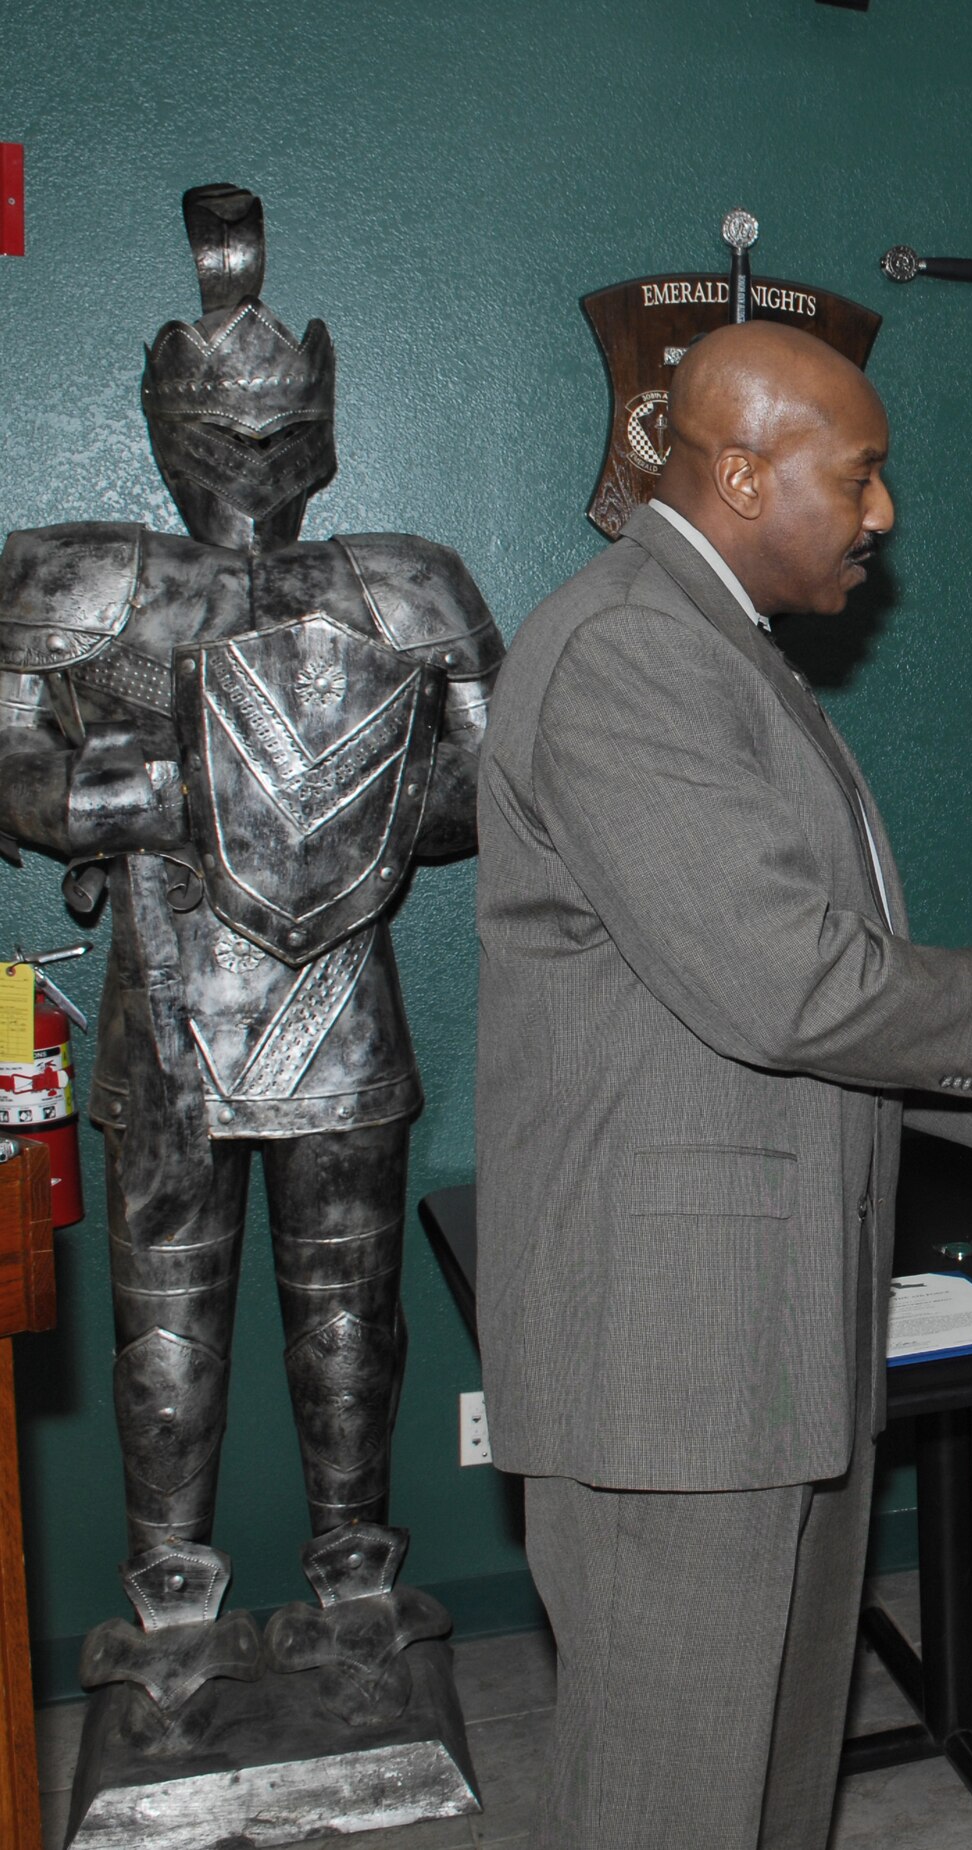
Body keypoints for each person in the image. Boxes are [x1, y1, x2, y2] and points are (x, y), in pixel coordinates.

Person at [473, 319, 972, 1850]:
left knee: (767, 1786)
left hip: (762, 1343)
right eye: (862, 475)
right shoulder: (630, 649)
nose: (884, 512)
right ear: (740, 470)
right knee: (672, 1797)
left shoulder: (710, 647)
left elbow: (741, 1002)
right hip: (677, 1360)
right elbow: (777, 977)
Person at [0, 185, 500, 1727]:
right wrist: (164, 795)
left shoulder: (400, 577)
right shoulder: (92, 573)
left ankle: (353, 1576)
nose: (257, 436)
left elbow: (487, 782)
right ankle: (174, 1602)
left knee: (345, 1308)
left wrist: (349, 795)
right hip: (170, 995)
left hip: (338, 995)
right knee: (172, 1309)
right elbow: (17, 766)